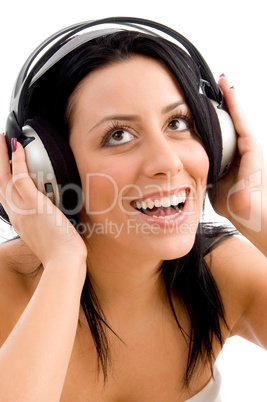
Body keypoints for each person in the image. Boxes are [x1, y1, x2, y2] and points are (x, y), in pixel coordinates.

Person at [0, 18, 266, 401]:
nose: (168, 161)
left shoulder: (222, 275)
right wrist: (63, 263)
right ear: (52, 169)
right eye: (118, 135)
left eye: (178, 122)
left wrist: (253, 208)